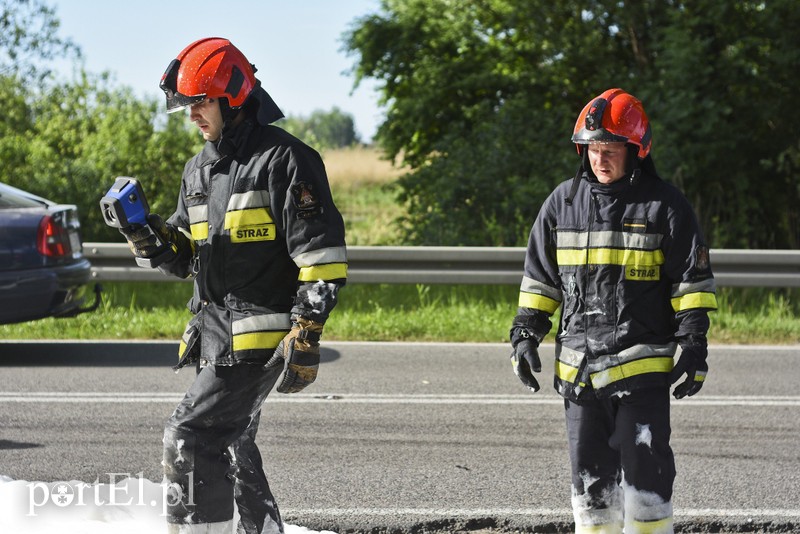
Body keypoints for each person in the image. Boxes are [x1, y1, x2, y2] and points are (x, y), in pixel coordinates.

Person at [119, 37, 347, 534]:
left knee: (191, 435)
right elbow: (186, 257)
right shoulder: (199, 170)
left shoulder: (286, 160)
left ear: (233, 95)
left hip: (259, 338)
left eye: (200, 102)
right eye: (187, 105)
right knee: (234, 444)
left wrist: (306, 331)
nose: (192, 114)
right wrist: (144, 233)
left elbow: (321, 256)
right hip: (214, 335)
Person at [509, 88, 717, 534]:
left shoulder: (665, 206)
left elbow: (691, 284)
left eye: (611, 150)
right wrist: (525, 334)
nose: (600, 159)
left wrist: (694, 345)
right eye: (593, 149)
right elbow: (540, 280)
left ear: (637, 151)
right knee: (591, 486)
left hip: (640, 373)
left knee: (647, 484)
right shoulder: (562, 204)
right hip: (579, 372)